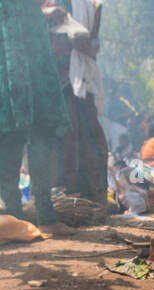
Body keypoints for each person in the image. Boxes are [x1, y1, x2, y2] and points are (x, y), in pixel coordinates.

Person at [0, 0, 71, 233]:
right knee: (7, 137)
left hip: (28, 46)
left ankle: (44, 217)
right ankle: (15, 218)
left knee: (38, 131)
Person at [43, 1, 108, 203]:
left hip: (81, 81)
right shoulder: (47, 4)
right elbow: (20, 16)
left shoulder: (92, 4)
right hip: (51, 81)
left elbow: (95, 44)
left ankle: (91, 202)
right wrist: (47, 13)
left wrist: (87, 44)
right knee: (60, 142)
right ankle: (59, 202)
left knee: (89, 141)